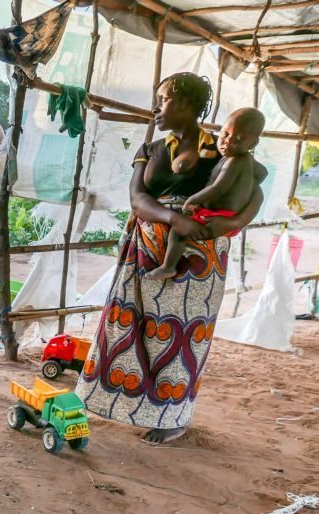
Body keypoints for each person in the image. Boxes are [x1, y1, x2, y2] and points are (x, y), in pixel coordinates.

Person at [76, 73, 264, 445]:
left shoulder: (223, 146)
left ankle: (173, 417)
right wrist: (173, 217)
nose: (157, 107)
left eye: (163, 99)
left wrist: (239, 221)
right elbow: (137, 198)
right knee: (127, 325)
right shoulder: (151, 148)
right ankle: (116, 401)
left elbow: (253, 187)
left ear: (186, 103)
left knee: (181, 336)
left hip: (199, 255)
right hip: (146, 247)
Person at [146, 107, 267, 281]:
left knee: (178, 231)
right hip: (211, 215)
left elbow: (218, 188)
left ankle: (168, 267)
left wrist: (192, 201)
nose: (228, 142)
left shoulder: (236, 160)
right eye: (225, 135)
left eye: (238, 140)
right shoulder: (222, 152)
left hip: (217, 218)